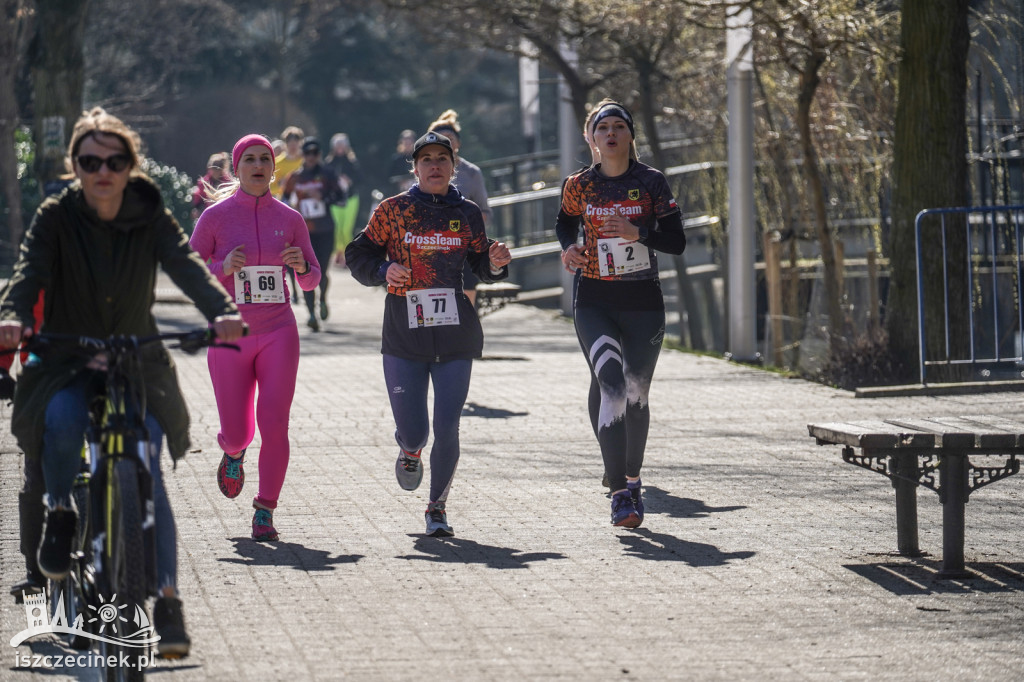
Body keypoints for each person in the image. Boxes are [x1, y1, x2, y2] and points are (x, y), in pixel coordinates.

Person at [0, 107, 246, 656]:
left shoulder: (152, 212)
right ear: (76, 166)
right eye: (90, 161)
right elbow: (28, 271)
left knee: (147, 466)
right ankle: (62, 511)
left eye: (114, 160)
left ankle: (168, 598)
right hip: (65, 356)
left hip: (136, 361)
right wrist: (12, 317)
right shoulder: (54, 215)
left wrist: (222, 309)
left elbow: (185, 263)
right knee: (60, 422)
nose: (102, 170)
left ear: (131, 164)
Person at [345, 131, 511, 537]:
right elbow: (358, 254)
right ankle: (409, 449)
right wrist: (384, 270)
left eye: (443, 158)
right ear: (415, 167)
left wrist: (496, 262)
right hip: (405, 334)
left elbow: (479, 263)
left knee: (449, 424)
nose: (435, 165)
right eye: (426, 159)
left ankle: (436, 507)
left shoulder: (468, 212)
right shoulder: (394, 210)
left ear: (454, 166)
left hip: (456, 333)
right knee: (417, 430)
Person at [555, 99, 686, 529]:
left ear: (630, 136)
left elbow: (677, 241)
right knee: (609, 385)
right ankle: (620, 494)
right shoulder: (578, 184)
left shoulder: (650, 182)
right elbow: (564, 222)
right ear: (591, 139)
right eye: (602, 127)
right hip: (594, 297)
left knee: (636, 393)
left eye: (618, 127)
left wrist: (638, 232)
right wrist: (569, 248)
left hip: (643, 301)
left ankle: (633, 477)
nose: (610, 133)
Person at [189, 133, 322, 543]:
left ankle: (265, 508)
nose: (259, 165)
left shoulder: (290, 219)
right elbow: (191, 272)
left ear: (273, 167)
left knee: (275, 423)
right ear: (237, 167)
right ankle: (232, 452)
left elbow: (313, 277)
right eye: (250, 159)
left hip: (279, 330)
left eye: (265, 158)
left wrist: (301, 267)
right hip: (231, 332)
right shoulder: (214, 218)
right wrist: (222, 265)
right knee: (238, 432)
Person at [427, 109, 493, 308]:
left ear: (458, 143)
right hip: (431, 245)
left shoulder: (471, 173)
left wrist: (469, 226)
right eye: (440, 139)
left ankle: (468, 329)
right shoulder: (424, 169)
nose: (446, 143)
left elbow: (485, 211)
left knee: (466, 300)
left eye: (450, 138)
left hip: (464, 246)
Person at [282, 136, 343, 331]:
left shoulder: (328, 174)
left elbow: (342, 198)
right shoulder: (296, 177)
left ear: (319, 155)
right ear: (303, 155)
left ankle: (323, 299)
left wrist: (323, 197)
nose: (310, 157)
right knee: (305, 270)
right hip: (304, 232)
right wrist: (292, 206)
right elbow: (282, 200)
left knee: (322, 272)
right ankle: (310, 314)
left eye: (314, 153)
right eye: (307, 153)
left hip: (325, 230)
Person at [325, 132, 365, 265]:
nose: (340, 148)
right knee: (337, 227)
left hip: (351, 199)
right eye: (338, 145)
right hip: (335, 200)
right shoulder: (329, 162)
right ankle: (338, 252)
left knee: (346, 228)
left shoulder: (352, 162)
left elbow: (360, 179)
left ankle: (347, 254)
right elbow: (325, 181)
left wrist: (349, 180)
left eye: (342, 145)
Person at [190, 151, 232, 222]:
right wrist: (196, 210)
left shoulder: (228, 183)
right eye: (213, 169)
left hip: (224, 215)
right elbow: (198, 199)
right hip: (208, 215)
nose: (215, 172)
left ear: (222, 170)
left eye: (217, 169)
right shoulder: (204, 183)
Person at [269, 126, 304, 199]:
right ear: (285, 144)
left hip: (303, 199)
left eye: (295, 144)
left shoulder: (305, 161)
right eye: (290, 144)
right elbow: (270, 187)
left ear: (300, 143)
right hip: (285, 200)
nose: (293, 147)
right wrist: (282, 185)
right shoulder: (277, 163)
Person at [386, 129, 417, 195]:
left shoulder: (417, 158)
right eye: (405, 140)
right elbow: (390, 177)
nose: (407, 143)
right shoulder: (397, 159)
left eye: (409, 140)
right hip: (399, 192)